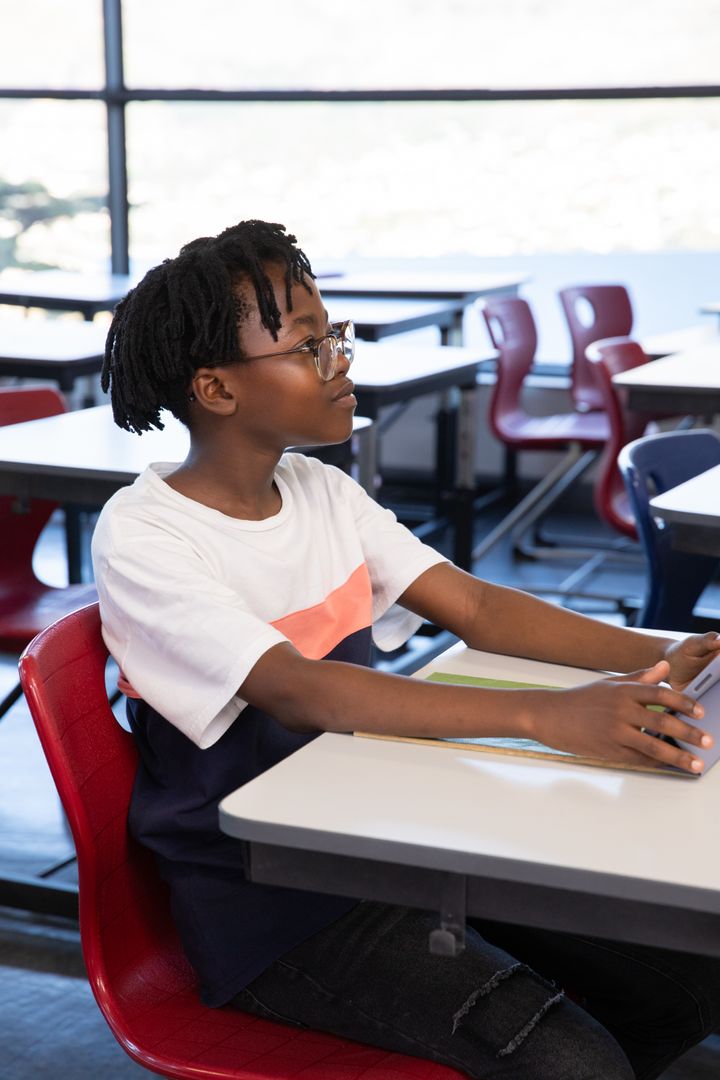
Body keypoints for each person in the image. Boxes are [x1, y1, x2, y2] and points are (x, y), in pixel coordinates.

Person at [92, 219, 720, 1080]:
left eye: (335, 336)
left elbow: (473, 603)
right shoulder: (146, 535)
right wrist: (545, 715)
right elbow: (305, 692)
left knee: (683, 989)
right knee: (576, 1063)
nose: (341, 360)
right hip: (269, 898)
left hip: (387, 841)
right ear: (217, 387)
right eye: (310, 345)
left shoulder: (318, 488)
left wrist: (651, 654)